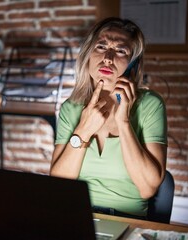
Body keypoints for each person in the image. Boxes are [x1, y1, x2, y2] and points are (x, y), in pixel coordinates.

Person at [50, 17, 168, 219]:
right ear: (88, 55)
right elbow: (60, 184)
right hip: (76, 217)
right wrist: (83, 130)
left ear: (133, 65)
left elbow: (147, 188)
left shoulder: (150, 105)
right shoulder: (71, 108)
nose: (108, 57)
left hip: (127, 220)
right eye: (101, 46)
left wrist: (124, 122)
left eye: (121, 51)